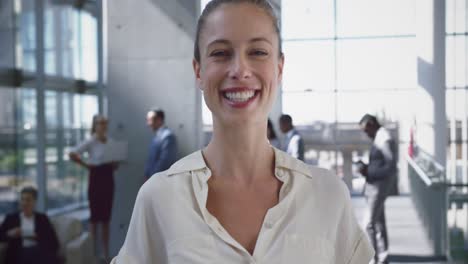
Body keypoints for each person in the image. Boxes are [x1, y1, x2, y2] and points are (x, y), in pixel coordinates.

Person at [112, 1, 373, 263]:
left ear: (279, 69)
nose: (240, 70)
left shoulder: (327, 195)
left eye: (258, 52)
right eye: (221, 53)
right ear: (198, 71)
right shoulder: (159, 198)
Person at [69, 115, 118, 260]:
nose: (103, 126)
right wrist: (85, 165)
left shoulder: (111, 142)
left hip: (108, 177)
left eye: (105, 123)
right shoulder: (90, 141)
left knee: (106, 219)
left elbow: (115, 164)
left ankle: (106, 253)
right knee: (95, 218)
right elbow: (72, 153)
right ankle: (92, 253)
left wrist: (114, 163)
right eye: (100, 123)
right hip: (96, 177)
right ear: (95, 125)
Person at [358, 114, 397, 264]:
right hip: (375, 184)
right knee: (379, 224)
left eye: (365, 129)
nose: (365, 133)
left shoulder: (383, 137)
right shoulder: (379, 136)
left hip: (378, 186)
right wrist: (367, 168)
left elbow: (390, 166)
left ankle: (374, 259)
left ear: (372, 123)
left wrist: (368, 171)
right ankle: (382, 257)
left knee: (368, 224)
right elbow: (382, 163)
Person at [0, 187, 59, 264]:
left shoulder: (42, 219)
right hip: (18, 254)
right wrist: (10, 234)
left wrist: (36, 236)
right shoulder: (11, 218)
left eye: (28, 200)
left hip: (39, 253)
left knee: (41, 254)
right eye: (22, 199)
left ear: (34, 201)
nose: (24, 203)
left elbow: (54, 243)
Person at [144, 109, 178, 179]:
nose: (148, 124)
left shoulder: (168, 136)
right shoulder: (158, 136)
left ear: (159, 120)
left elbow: (164, 162)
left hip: (160, 180)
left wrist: (152, 178)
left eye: (150, 120)